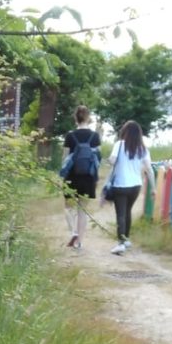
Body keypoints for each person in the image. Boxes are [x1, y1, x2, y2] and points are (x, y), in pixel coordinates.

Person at [105, 120, 155, 255]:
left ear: (125, 132)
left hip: (121, 185)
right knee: (127, 211)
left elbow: (112, 160)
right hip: (136, 186)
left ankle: (120, 243)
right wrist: (153, 188)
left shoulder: (119, 145)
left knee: (121, 214)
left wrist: (108, 160)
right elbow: (149, 169)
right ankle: (126, 239)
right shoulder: (143, 149)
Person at [61, 105, 101, 249]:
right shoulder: (94, 136)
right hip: (88, 177)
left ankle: (73, 231)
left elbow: (64, 158)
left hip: (71, 176)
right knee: (82, 210)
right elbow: (98, 159)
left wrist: (62, 176)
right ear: (88, 117)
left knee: (68, 207)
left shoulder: (70, 136)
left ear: (75, 118)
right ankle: (79, 242)